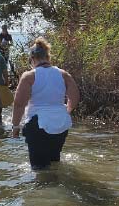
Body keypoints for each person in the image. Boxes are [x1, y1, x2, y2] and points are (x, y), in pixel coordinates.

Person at [11, 38, 79, 170]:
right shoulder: (63, 74)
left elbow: (19, 104)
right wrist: (67, 111)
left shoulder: (29, 76)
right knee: (54, 162)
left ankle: (46, 189)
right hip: (61, 124)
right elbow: (75, 97)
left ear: (32, 58)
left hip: (39, 126)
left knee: (39, 169)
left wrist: (15, 127)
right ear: (47, 56)